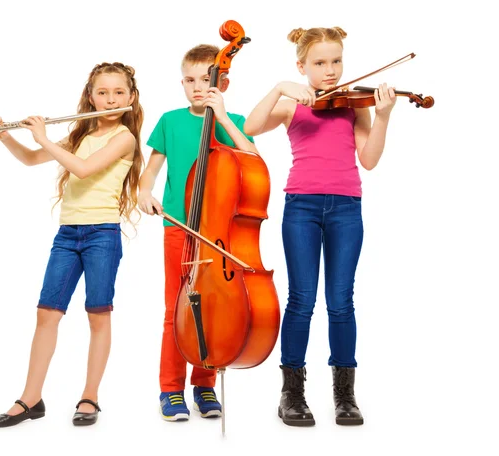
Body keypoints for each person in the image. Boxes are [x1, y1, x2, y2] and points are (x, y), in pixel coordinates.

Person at [244, 27, 397, 426]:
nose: (330, 71)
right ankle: (291, 394)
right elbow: (250, 126)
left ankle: (344, 395)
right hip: (302, 208)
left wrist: (382, 116)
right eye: (320, 63)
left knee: (341, 301)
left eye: (336, 61)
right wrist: (280, 87)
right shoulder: (293, 104)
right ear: (302, 66)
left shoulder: (353, 105)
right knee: (302, 299)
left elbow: (370, 160)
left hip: (347, 208)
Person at [0, 62, 143, 427]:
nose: (110, 99)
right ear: (90, 96)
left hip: (102, 234)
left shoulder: (124, 137)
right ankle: (30, 399)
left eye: (119, 92)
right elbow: (30, 159)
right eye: (102, 92)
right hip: (68, 235)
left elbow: (84, 169)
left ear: (131, 98)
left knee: (97, 315)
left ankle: (90, 396)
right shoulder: (79, 134)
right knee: (47, 314)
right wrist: (6, 137)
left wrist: (43, 137)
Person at [137, 44, 257, 421]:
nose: (196, 88)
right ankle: (170, 389)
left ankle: (204, 386)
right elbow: (151, 171)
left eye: (206, 80)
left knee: (214, 310)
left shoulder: (232, 118)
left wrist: (221, 118)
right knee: (177, 310)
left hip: (219, 232)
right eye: (189, 80)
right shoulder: (170, 121)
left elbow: (253, 159)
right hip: (179, 229)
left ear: (224, 81)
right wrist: (144, 191)